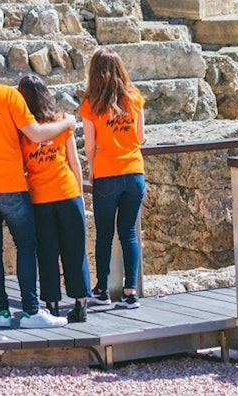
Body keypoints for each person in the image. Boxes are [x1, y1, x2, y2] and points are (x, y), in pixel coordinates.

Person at [0, 43, 75, 329]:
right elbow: (35, 133)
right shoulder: (9, 96)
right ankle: (31, 311)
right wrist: (67, 122)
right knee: (25, 246)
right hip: (9, 184)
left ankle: (1, 312)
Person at [17, 74, 90, 324]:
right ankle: (80, 304)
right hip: (68, 192)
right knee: (75, 251)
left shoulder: (24, 131)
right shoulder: (61, 122)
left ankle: (52, 304)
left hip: (40, 198)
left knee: (47, 253)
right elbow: (74, 161)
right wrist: (79, 195)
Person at [79, 48, 146, 310]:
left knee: (104, 234)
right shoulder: (135, 99)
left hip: (107, 174)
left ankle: (102, 290)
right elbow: (140, 138)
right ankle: (130, 293)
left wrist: (93, 169)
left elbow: (89, 146)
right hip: (134, 172)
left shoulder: (91, 104)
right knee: (128, 233)